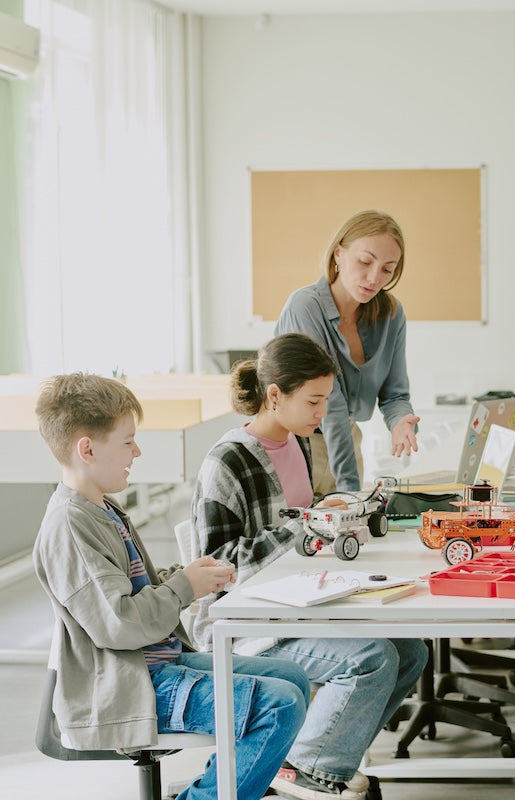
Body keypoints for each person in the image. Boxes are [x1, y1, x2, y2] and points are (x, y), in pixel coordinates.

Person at [31, 373, 310, 800]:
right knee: (280, 705)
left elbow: (128, 593)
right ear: (86, 449)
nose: (136, 451)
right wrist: (183, 587)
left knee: (292, 679)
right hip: (131, 685)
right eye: (127, 442)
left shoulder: (101, 507)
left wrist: (185, 575)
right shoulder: (70, 526)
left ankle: (224, 789)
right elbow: (120, 624)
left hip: (156, 665)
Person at [190, 333, 428, 800]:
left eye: (326, 400)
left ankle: (312, 755)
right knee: (372, 658)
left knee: (411, 650)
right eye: (314, 401)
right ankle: (306, 766)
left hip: (297, 603)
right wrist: (305, 528)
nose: (323, 414)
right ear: (274, 395)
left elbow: (299, 516)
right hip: (245, 625)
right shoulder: (228, 459)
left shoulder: (298, 443)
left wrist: (329, 509)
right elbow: (216, 567)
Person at [275, 209, 420, 494]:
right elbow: (332, 405)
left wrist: (402, 421)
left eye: (387, 269)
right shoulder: (305, 307)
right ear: (338, 254)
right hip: (299, 442)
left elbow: (395, 394)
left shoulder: (391, 314)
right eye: (365, 261)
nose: (374, 278)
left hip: (348, 439)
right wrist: (350, 490)